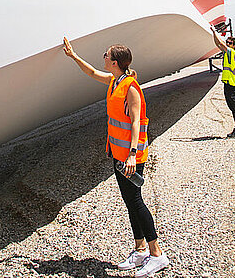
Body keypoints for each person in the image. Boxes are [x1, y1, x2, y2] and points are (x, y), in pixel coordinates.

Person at [63, 37, 170, 277]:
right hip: (118, 153)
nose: (103, 57)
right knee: (130, 201)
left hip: (131, 156)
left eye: (106, 54)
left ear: (115, 62)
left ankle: (157, 254)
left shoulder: (131, 87)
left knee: (136, 201)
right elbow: (91, 72)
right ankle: (140, 249)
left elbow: (135, 123)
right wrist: (73, 56)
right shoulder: (114, 81)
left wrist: (132, 154)